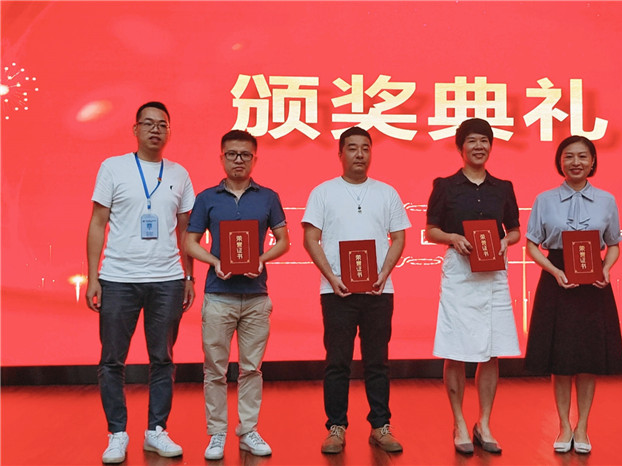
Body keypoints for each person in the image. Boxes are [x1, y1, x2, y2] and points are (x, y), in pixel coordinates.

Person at [86, 101, 195, 464]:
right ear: (135, 129)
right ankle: (117, 433)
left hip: (167, 279)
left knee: (162, 359)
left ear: (169, 131)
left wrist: (189, 275)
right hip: (118, 278)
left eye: (162, 124)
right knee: (112, 360)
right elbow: (97, 223)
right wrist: (93, 276)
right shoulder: (113, 167)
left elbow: (185, 231)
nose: (155, 130)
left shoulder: (179, 173)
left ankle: (156, 431)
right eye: (147, 123)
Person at [302, 127, 411, 454]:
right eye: (352, 148)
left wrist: (383, 273)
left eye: (365, 148)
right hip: (337, 292)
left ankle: (380, 425)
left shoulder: (387, 192)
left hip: (379, 291)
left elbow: (399, 238)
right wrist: (331, 277)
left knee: (378, 361)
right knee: (337, 362)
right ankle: (336, 427)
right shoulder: (323, 192)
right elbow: (310, 238)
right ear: (340, 154)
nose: (360, 154)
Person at [185, 130, 289, 459]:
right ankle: (217, 433)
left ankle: (248, 430)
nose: (238, 160)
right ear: (222, 158)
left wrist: (261, 259)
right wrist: (214, 262)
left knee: (251, 369)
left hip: (256, 296)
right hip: (218, 295)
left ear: (255, 159)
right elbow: (189, 242)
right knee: (214, 370)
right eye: (232, 154)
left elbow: (284, 240)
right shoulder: (207, 198)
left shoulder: (268, 197)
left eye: (245, 154)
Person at [425, 118, 521, 455]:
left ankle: (484, 422)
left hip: (493, 272)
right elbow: (431, 230)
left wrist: (506, 241)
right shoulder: (445, 186)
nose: (479, 146)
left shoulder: (503, 187)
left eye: (484, 140)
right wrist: (453, 237)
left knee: (491, 349)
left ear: (491, 145)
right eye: (472, 140)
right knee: (456, 349)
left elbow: (514, 229)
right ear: (460, 147)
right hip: (460, 272)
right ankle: (459, 423)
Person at [524, 135, 622, 455]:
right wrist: (554, 271)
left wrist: (606, 269)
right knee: (561, 357)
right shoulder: (544, 199)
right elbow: (531, 245)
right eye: (569, 156)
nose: (576, 162)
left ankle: (582, 426)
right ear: (560, 162)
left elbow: (614, 243)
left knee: (588, 357)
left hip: (593, 283)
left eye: (582, 156)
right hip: (557, 277)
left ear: (593, 162)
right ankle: (564, 425)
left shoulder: (607, 200)